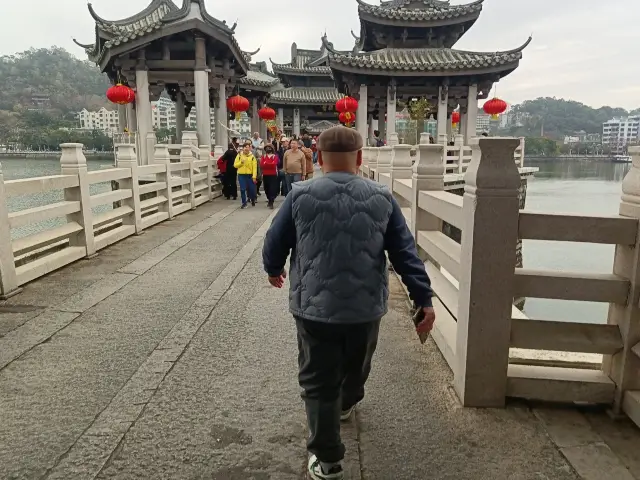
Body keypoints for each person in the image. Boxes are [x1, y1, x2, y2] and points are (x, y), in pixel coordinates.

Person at [262, 126, 435, 480]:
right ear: (359, 158)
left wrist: (273, 268)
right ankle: (346, 401)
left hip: (314, 307)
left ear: (320, 158)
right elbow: (405, 253)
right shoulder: (381, 197)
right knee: (356, 369)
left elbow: (274, 240)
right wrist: (422, 297)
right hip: (365, 308)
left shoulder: (300, 194)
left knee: (318, 379)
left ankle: (327, 462)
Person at [234, 142, 257, 209]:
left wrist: (254, 177)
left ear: (250, 148)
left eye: (248, 147)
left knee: (251, 189)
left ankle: (252, 199)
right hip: (241, 175)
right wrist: (241, 163)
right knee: (242, 189)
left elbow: (254, 168)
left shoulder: (252, 157)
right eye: (245, 147)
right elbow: (235, 165)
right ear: (243, 148)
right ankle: (244, 203)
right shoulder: (239, 155)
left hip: (250, 175)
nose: (246, 149)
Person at [260, 144, 279, 209]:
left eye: (269, 148)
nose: (268, 149)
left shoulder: (275, 156)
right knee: (266, 188)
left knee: (272, 188)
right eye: (267, 148)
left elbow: (274, 165)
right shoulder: (263, 156)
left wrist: (266, 163)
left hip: (273, 174)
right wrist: (269, 164)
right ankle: (269, 199)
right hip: (265, 174)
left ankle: (271, 202)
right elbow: (262, 165)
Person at [251, 132, 265, 196]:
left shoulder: (261, 140)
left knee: (259, 177)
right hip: (252, 158)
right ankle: (254, 191)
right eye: (255, 135)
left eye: (257, 135)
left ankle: (257, 189)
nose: (256, 136)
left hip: (259, 157)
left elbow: (262, 147)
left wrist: (256, 147)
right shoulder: (251, 140)